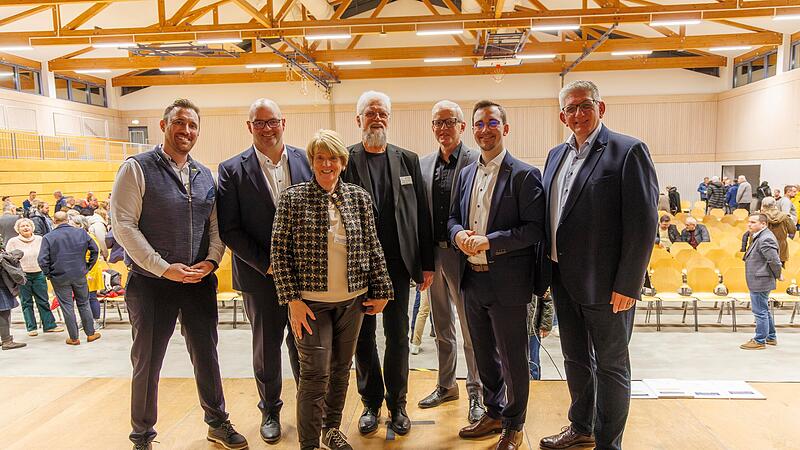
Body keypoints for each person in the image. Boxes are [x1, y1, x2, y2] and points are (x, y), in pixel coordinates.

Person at [111, 99, 247, 450]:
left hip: (198, 282)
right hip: (152, 284)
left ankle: (217, 422)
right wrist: (161, 267)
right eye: (180, 123)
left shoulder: (205, 175)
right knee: (147, 361)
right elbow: (123, 225)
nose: (187, 131)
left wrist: (212, 261)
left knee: (207, 353)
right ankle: (142, 436)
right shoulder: (136, 168)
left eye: (193, 126)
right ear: (163, 125)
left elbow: (216, 226)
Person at [539, 81, 658, 450]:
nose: (578, 114)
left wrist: (629, 284)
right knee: (575, 359)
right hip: (564, 279)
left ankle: (609, 443)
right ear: (562, 116)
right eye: (570, 109)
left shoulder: (627, 150)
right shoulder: (555, 155)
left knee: (611, 366)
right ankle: (581, 427)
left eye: (584, 105)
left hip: (609, 287)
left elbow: (643, 223)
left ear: (600, 107)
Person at [271, 129, 394, 450]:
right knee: (314, 376)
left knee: (341, 370)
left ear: (343, 162)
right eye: (320, 158)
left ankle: (331, 429)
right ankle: (309, 443)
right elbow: (279, 253)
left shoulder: (358, 198)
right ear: (312, 162)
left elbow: (373, 246)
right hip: (310, 304)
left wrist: (382, 289)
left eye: (333, 158)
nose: (327, 164)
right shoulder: (293, 198)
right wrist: (292, 300)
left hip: (352, 302)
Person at [450, 100, 545, 450]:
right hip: (471, 280)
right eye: (478, 124)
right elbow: (451, 219)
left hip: (507, 282)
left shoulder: (524, 174)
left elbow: (534, 229)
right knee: (483, 353)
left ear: (505, 129)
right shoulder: (465, 174)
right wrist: (458, 234)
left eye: (492, 123)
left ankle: (514, 423)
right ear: (472, 130)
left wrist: (489, 242)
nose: (485, 129)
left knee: (512, 356)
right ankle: (493, 411)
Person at [216, 98, 310, 443]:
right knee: (267, 346)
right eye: (260, 123)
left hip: (305, 277)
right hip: (260, 276)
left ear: (283, 122)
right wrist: (270, 264)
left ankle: (308, 405)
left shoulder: (306, 159)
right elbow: (230, 229)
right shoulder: (231, 169)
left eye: (272, 122)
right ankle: (270, 409)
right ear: (249, 126)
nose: (267, 129)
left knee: (305, 343)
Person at [342, 90, 435, 436]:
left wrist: (427, 263)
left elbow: (421, 215)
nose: (376, 119)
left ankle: (398, 404)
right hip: (356, 266)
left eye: (382, 114)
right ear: (358, 120)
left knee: (397, 336)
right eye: (370, 113)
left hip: (397, 265)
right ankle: (370, 403)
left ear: (389, 119)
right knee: (363, 337)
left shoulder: (407, 159)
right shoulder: (345, 159)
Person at [418, 100, 485, 422]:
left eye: (449, 122)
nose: (443, 128)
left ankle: (477, 391)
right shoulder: (423, 164)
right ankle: (446, 385)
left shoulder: (477, 159)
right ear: (432, 128)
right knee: (441, 327)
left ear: (462, 126)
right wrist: (422, 261)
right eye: (437, 123)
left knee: (472, 329)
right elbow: (419, 216)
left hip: (467, 256)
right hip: (435, 255)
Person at [37, 211, 100, 345]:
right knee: (84, 303)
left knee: (67, 307)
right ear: (68, 219)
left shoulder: (48, 237)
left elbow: (42, 260)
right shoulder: (81, 233)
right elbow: (95, 250)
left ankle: (74, 338)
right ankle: (91, 334)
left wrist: (49, 274)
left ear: (54, 221)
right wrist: (88, 266)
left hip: (59, 276)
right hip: (79, 274)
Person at [4, 218, 63, 336]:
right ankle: (31, 328)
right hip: (22, 276)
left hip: (38, 274)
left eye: (28, 225)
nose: (25, 228)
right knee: (26, 302)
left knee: (43, 300)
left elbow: (46, 255)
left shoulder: (40, 239)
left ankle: (49, 325)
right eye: (22, 226)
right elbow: (8, 259)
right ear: (18, 229)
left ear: (32, 227)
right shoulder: (13, 242)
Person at [740, 213, 781, 350]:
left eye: (753, 222)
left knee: (760, 311)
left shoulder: (765, 238)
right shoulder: (761, 236)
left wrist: (778, 274)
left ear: (763, 224)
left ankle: (759, 340)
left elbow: (774, 260)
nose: (749, 224)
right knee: (764, 310)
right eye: (749, 222)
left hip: (761, 280)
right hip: (760, 278)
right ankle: (771, 337)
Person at [526, 291, 554, 380]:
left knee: (533, 363)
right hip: (511, 329)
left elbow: (548, 300)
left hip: (533, 329)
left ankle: (535, 386)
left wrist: (546, 325)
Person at [760, 197, 795, 265]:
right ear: (775, 204)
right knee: (780, 270)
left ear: (763, 205)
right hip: (781, 246)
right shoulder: (784, 216)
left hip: (763, 245)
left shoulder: (759, 217)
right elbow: (792, 230)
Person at [409, 286, 430, 355]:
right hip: (441, 277)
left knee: (423, 311)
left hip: (425, 278)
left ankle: (415, 343)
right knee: (442, 310)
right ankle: (443, 343)